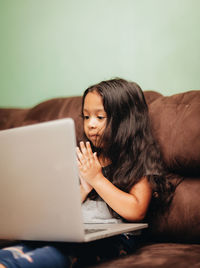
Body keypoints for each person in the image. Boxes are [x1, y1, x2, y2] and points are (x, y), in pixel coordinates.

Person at [0, 78, 175, 268]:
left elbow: (136, 211)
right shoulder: (86, 156)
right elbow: (62, 211)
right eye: (86, 116)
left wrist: (97, 178)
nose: (90, 124)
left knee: (59, 254)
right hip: (77, 230)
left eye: (100, 117)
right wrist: (83, 189)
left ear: (126, 120)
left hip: (114, 237)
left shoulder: (138, 159)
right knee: (18, 249)